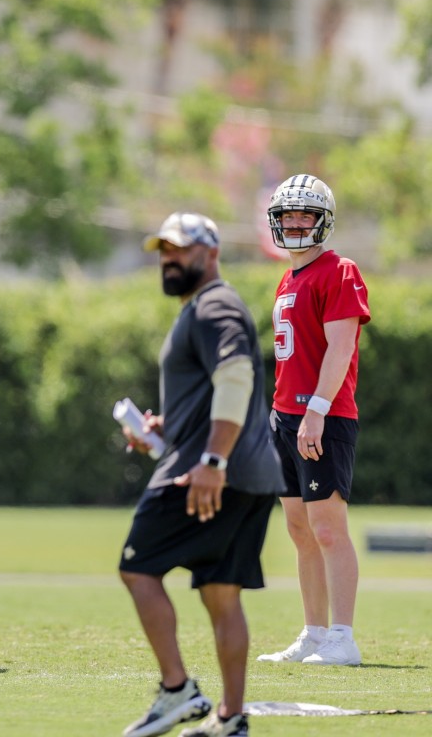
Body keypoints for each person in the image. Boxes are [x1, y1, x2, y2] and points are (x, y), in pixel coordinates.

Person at [120, 213, 283, 737]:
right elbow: (220, 389)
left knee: (138, 567)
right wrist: (169, 426)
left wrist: (212, 462)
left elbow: (236, 377)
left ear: (210, 254)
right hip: (248, 475)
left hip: (213, 474)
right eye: (163, 250)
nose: (169, 259)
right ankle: (232, 718)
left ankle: (177, 691)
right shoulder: (206, 307)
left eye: (180, 250)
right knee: (221, 593)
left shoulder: (214, 304)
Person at [255, 174, 369, 667]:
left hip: (322, 414)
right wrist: (284, 415)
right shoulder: (288, 277)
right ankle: (315, 633)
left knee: (327, 528)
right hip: (286, 416)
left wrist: (316, 410)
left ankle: (344, 636)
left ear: (323, 221)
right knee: (300, 529)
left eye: (305, 215)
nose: (296, 223)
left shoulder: (339, 270)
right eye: (288, 216)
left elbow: (341, 348)